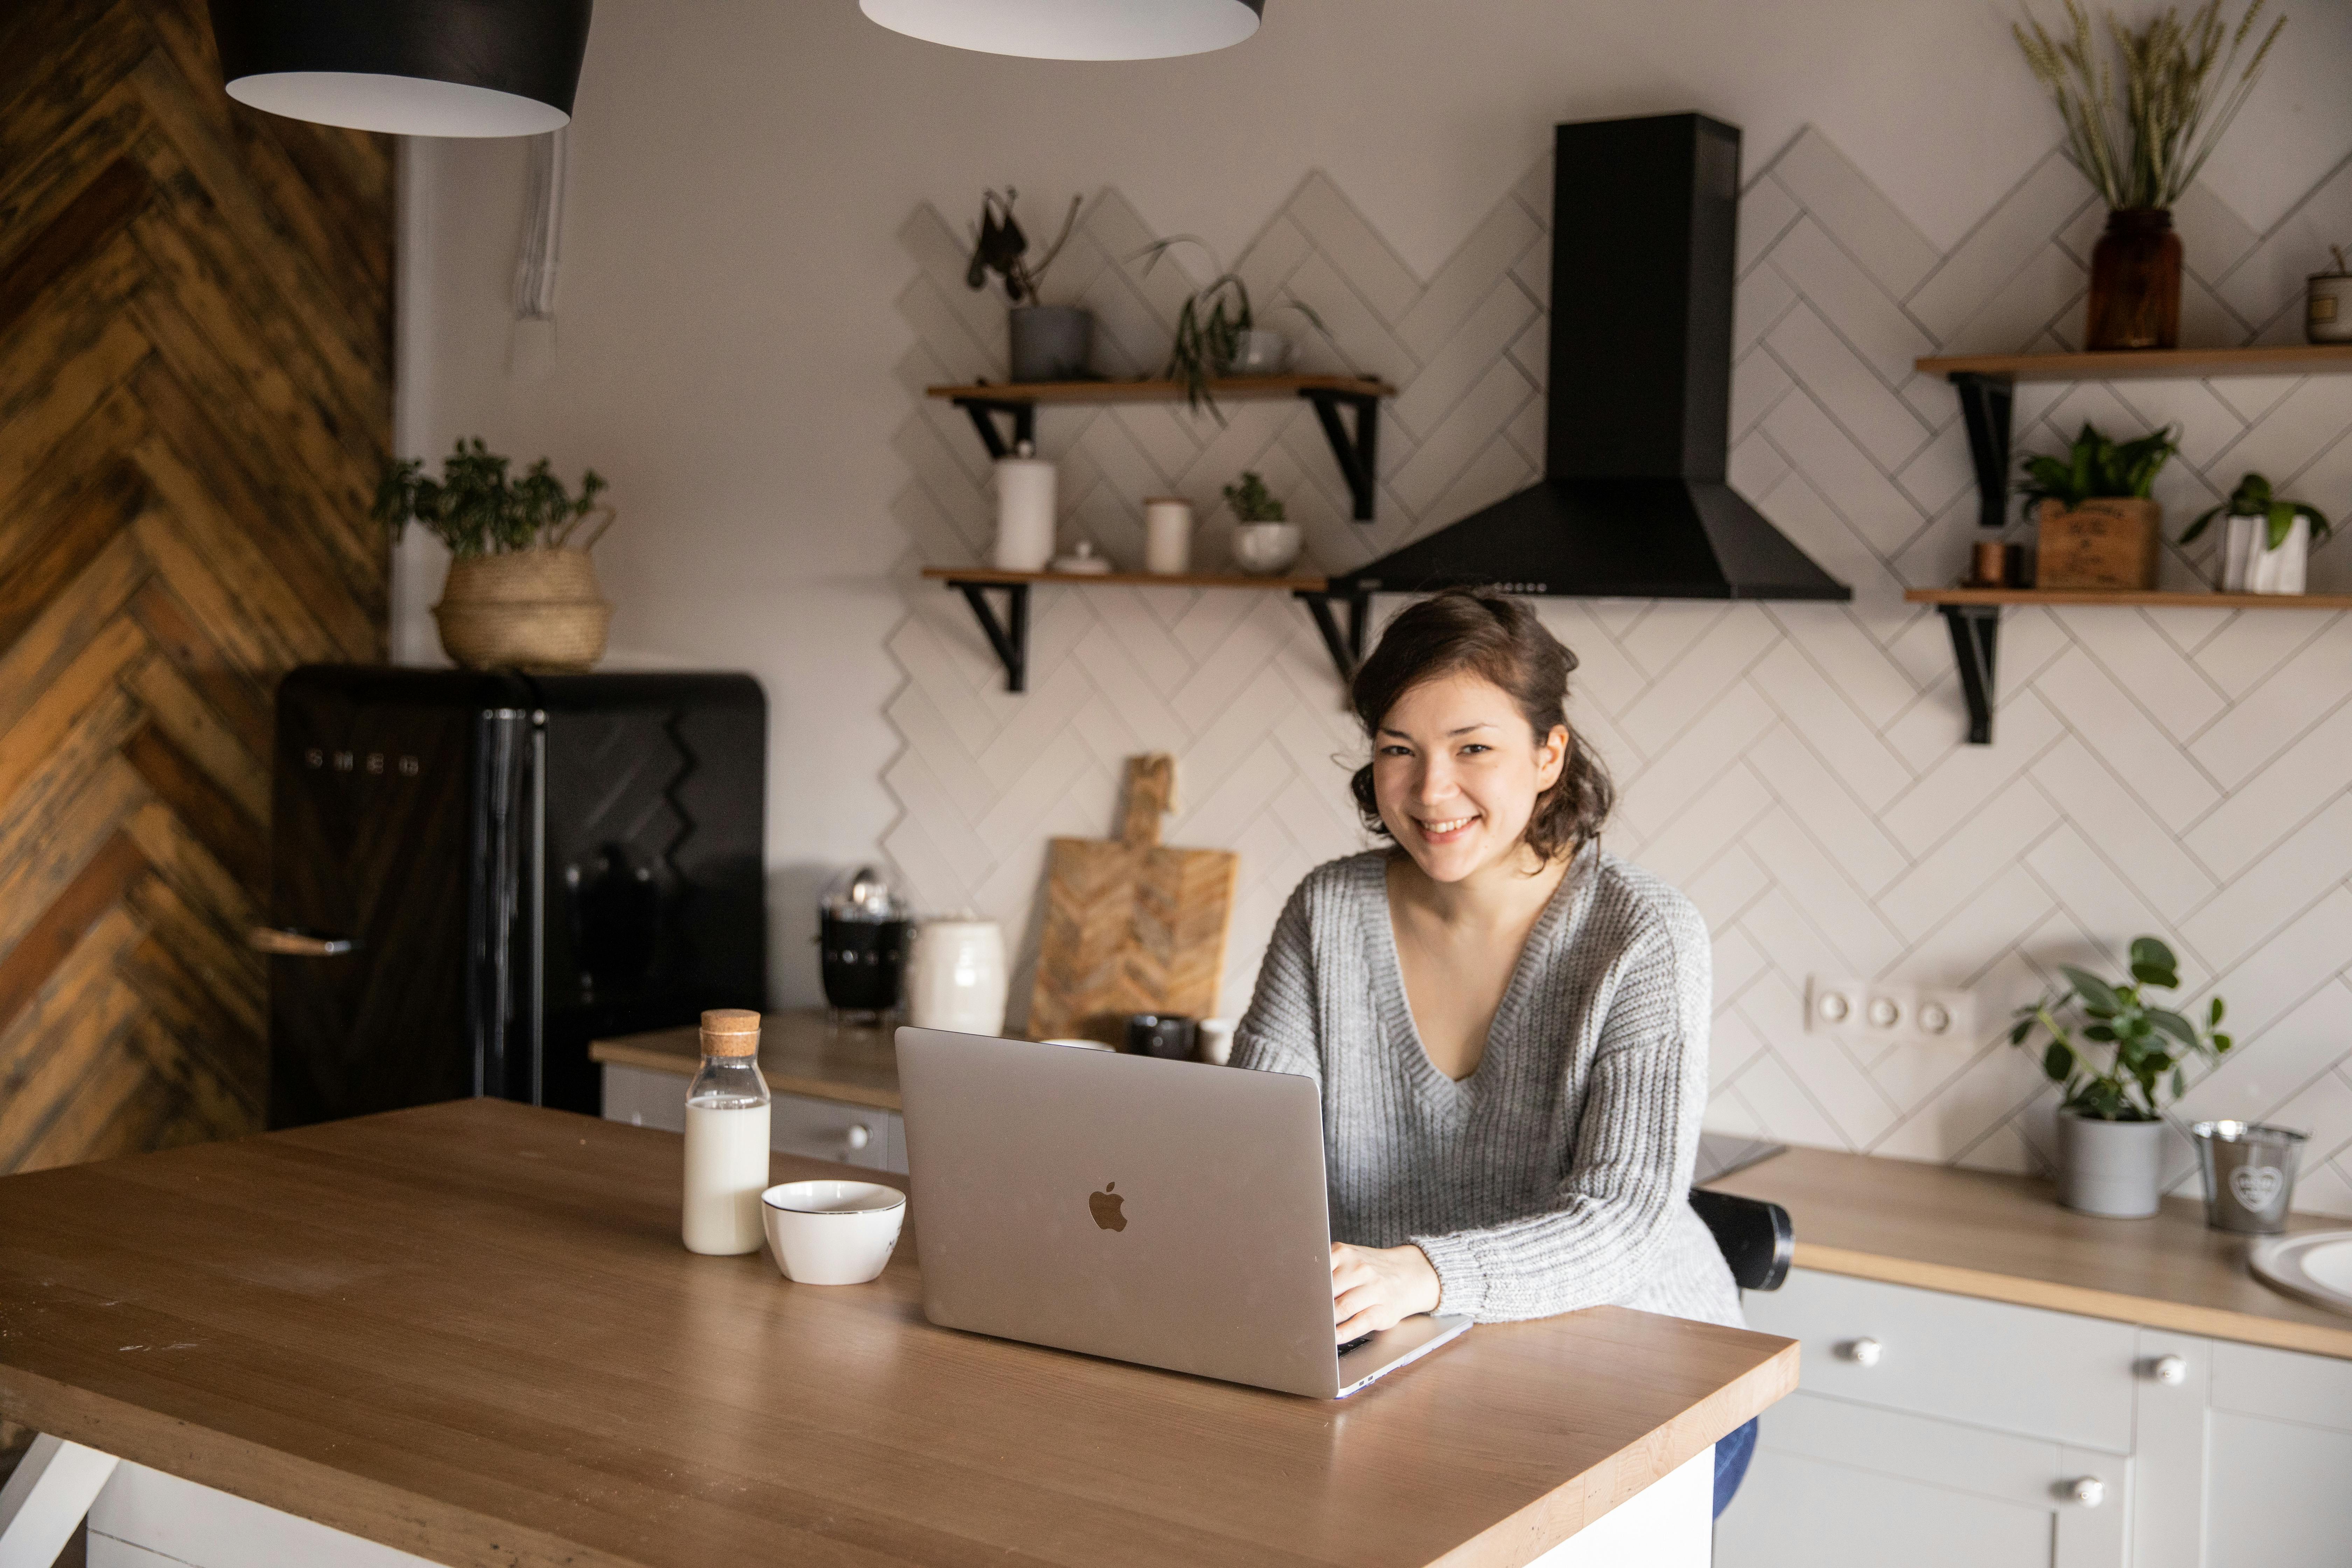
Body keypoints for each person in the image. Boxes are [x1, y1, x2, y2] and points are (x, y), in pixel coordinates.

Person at [1231, 587, 1757, 1516]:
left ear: (1548, 755)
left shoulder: (1643, 935)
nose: (1432, 791)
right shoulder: (1328, 912)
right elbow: (1249, 1160)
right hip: (1404, 1361)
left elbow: (1623, 1224)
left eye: (1473, 748)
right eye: (1400, 749)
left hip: (1641, 1376)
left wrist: (1423, 1273)